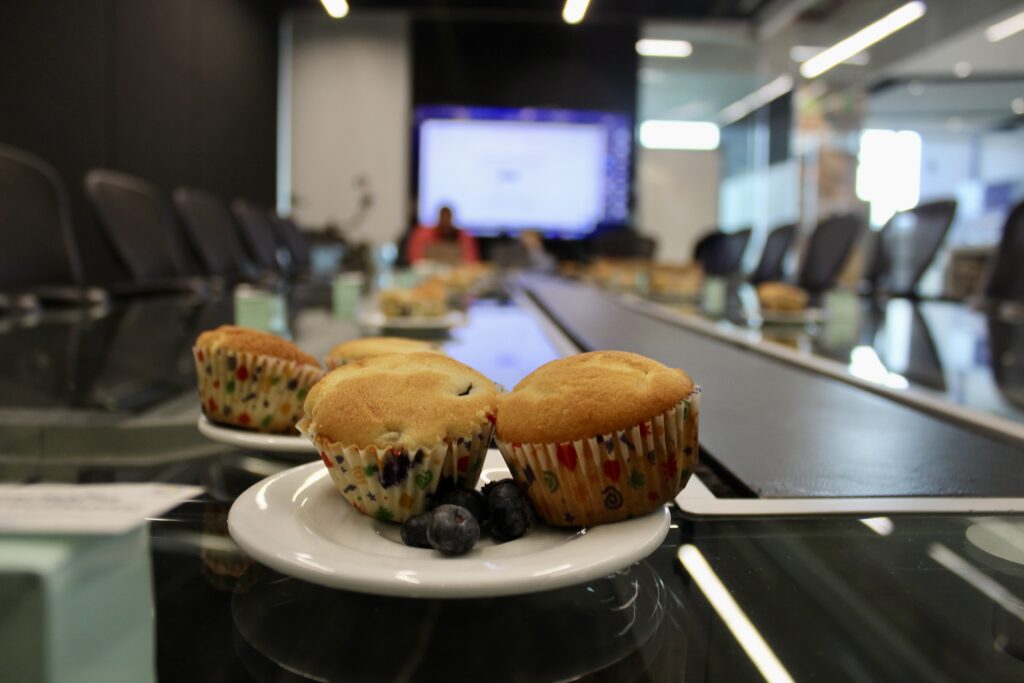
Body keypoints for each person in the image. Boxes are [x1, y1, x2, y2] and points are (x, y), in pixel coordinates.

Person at [406, 206, 479, 265]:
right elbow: (415, 259)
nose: (445, 221)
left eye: (448, 217)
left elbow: (470, 261)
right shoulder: (423, 234)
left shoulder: (464, 236)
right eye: (443, 217)